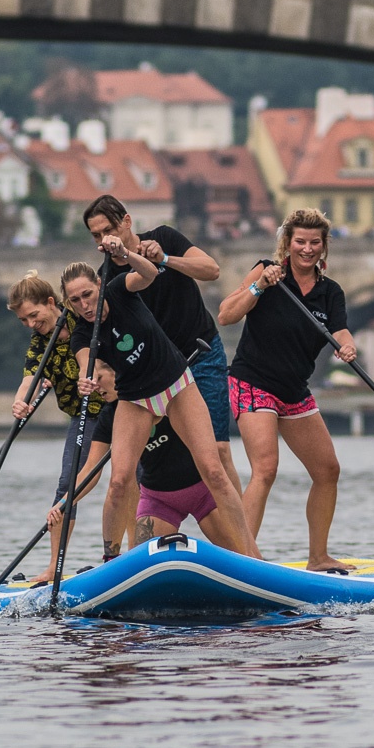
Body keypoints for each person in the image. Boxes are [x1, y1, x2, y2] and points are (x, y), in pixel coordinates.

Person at [74, 238, 259, 561]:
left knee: (213, 470)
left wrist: (124, 254)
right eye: (75, 301)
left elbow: (148, 273)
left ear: (99, 286)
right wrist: (84, 380)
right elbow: (84, 362)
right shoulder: (81, 332)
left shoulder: (119, 289)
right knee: (119, 482)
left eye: (88, 295)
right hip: (137, 399)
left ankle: (252, 558)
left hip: (175, 385)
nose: (84, 305)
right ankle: (111, 563)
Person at [215, 209, 354, 572]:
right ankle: (240, 558)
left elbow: (339, 330)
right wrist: (260, 286)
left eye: (314, 243)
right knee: (266, 468)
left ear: (324, 248)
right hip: (253, 381)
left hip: (294, 389)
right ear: (287, 244)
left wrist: (347, 346)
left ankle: (319, 557)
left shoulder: (330, 292)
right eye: (300, 242)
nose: (307, 249)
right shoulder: (265, 271)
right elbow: (226, 314)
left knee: (328, 470)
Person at [14, 265, 114, 576]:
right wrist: (20, 402)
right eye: (24, 320)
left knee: (132, 479)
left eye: (35, 315)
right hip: (82, 417)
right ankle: (53, 567)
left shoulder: (80, 319)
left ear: (50, 302)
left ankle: (122, 557)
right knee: (66, 485)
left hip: (120, 406)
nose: (32, 323)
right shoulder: (38, 342)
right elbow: (30, 377)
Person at [128, 415, 255, 552]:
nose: (100, 392)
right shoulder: (113, 413)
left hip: (205, 492)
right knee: (142, 561)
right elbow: (120, 482)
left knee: (247, 556)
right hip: (157, 499)